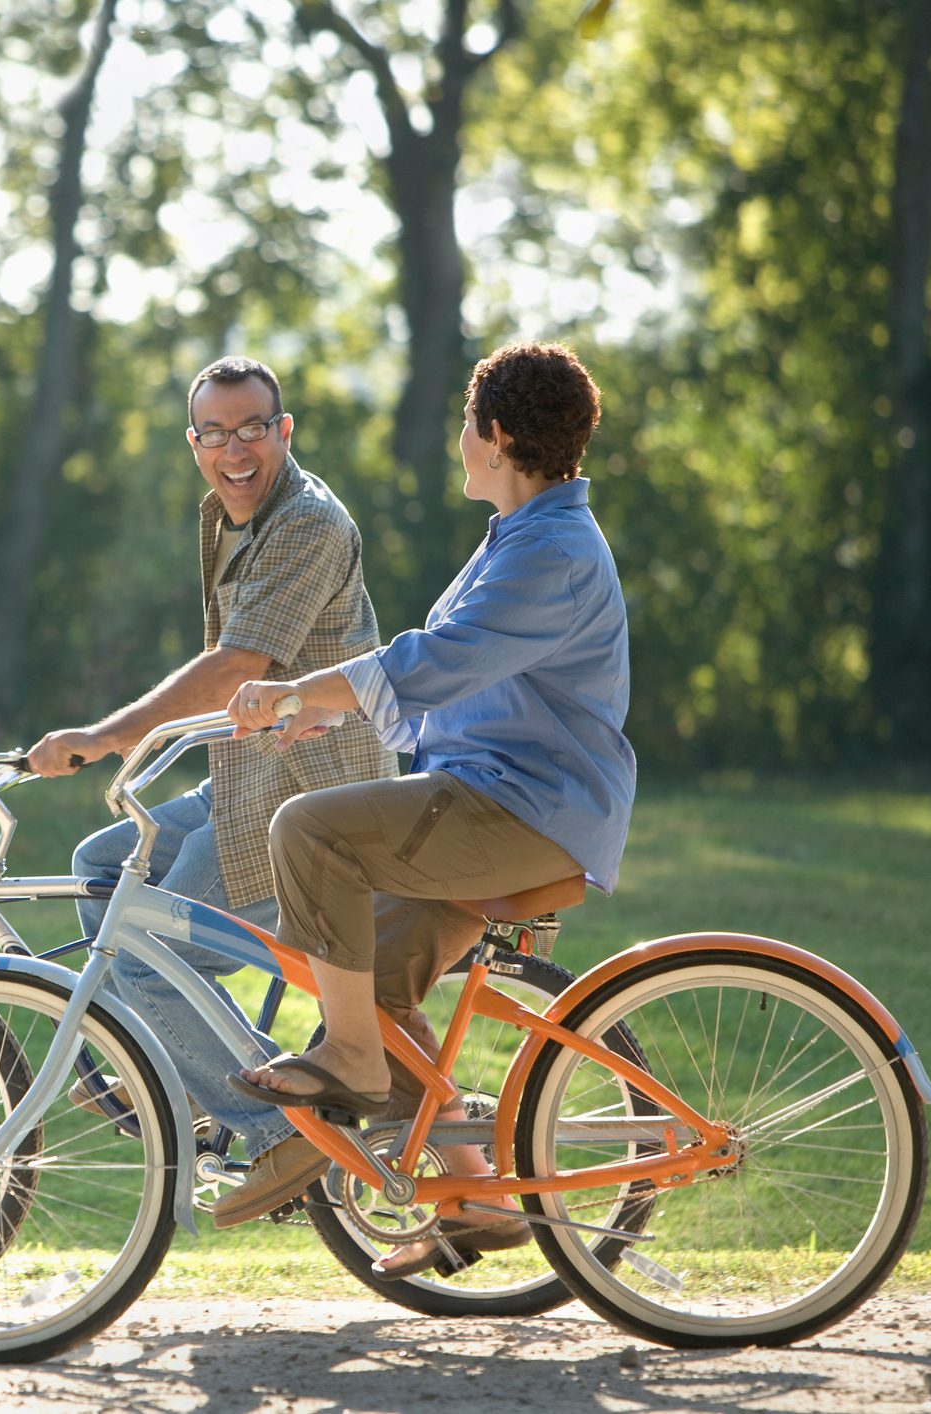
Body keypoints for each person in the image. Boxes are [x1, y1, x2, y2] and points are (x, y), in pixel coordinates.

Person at [221, 341, 635, 1275]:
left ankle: (350, 1070)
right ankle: (479, 1199)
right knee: (375, 992)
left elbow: (432, 663)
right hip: (489, 799)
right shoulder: (523, 535)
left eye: (462, 425)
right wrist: (321, 719)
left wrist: (296, 693)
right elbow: (456, 688)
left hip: (524, 812)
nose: (457, 442)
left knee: (308, 827)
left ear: (492, 436)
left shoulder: (551, 552)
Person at [24, 355, 396, 1228]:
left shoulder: (304, 521)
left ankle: (279, 1132)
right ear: (193, 442)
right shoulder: (231, 515)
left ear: (285, 431)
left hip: (307, 806)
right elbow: (236, 684)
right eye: (215, 433)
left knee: (156, 962)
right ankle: (184, 1073)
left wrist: (107, 737)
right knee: (102, 866)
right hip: (249, 785)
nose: (234, 449)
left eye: (252, 428)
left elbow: (239, 665)